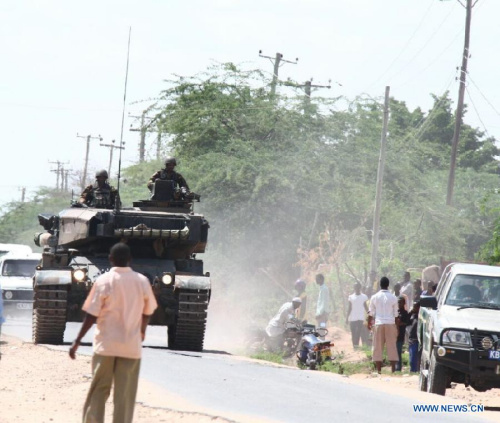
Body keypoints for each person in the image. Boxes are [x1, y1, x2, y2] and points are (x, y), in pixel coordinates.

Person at [69, 242, 158, 423]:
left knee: (99, 390)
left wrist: (77, 340)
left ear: (110, 259)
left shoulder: (104, 281)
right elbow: (148, 312)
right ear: (130, 259)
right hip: (131, 347)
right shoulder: (142, 281)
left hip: (105, 346)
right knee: (125, 394)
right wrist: (141, 331)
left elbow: (91, 315)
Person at [368, 276, 399, 374]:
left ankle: (379, 370)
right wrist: (396, 327)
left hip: (379, 323)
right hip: (390, 323)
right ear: (388, 285)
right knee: (392, 346)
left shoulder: (374, 297)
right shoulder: (393, 297)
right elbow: (396, 315)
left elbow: (371, 313)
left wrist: (369, 324)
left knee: (378, 346)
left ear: (380, 285)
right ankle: (393, 370)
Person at [345, 283, 369, 348]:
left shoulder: (364, 297)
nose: (357, 289)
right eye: (355, 287)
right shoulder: (351, 297)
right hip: (352, 318)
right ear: (354, 288)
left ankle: (356, 346)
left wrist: (370, 315)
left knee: (358, 332)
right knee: (353, 333)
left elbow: (366, 307)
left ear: (360, 288)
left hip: (360, 318)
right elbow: (349, 308)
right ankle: (354, 346)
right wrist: (347, 318)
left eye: (358, 287)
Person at [395, 296, 410, 371]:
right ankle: (394, 367)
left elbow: (406, 323)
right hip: (394, 334)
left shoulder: (405, 313)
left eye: (400, 302)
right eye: (398, 302)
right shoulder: (395, 312)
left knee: (398, 351)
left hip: (400, 335)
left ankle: (398, 368)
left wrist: (399, 323)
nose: (399, 304)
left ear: (404, 303)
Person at [407, 301, 421, 372]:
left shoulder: (421, 317)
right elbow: (406, 321)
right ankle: (413, 370)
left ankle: (415, 370)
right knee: (411, 357)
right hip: (411, 339)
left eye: (415, 307)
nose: (414, 308)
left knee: (414, 358)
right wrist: (410, 312)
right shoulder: (413, 316)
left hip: (417, 340)